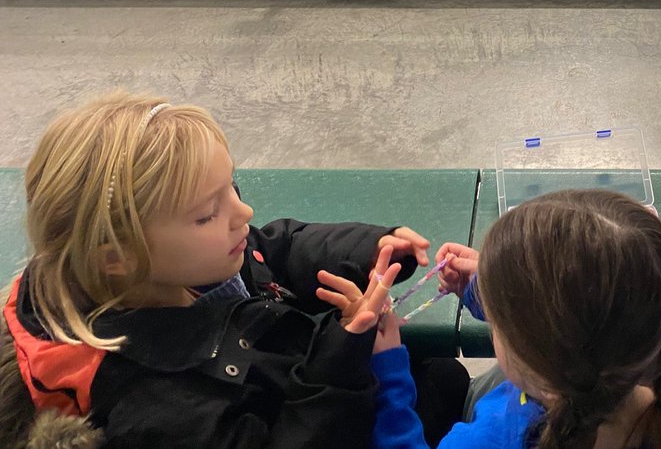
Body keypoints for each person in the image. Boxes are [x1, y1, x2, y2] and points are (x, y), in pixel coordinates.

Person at [0, 92, 468, 448]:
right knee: (443, 385)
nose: (243, 212)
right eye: (208, 213)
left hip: (300, 376)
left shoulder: (161, 270)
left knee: (440, 374)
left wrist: (367, 247)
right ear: (116, 255)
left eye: (233, 188)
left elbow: (274, 250)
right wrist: (337, 364)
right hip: (317, 408)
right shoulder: (155, 409)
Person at [370, 189, 661, 448]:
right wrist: (496, 291)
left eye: (502, 319)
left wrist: (386, 374)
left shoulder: (494, 437)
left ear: (528, 353)